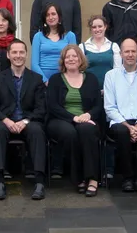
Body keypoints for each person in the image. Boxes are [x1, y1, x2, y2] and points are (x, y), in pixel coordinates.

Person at [0, 39, 48, 200]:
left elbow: (41, 109)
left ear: (26, 55)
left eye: (21, 52)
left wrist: (25, 121)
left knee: (37, 130)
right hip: (5, 121)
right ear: (8, 55)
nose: (18, 55)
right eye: (14, 52)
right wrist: (7, 121)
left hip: (27, 121)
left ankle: (39, 182)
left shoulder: (36, 79)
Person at [46, 45, 103, 197]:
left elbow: (98, 105)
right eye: (67, 57)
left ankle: (92, 178)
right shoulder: (55, 79)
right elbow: (52, 106)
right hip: (60, 120)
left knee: (87, 130)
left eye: (74, 56)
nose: (71, 59)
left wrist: (88, 115)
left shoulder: (91, 79)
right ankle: (79, 178)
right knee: (70, 133)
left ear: (80, 59)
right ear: (63, 61)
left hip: (86, 119)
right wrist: (73, 118)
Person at [104, 37, 137, 192]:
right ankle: (127, 177)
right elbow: (110, 107)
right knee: (122, 132)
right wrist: (128, 127)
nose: (130, 54)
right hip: (119, 121)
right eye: (127, 51)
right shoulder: (111, 76)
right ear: (121, 54)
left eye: (133, 51)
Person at [31, 3, 77, 83]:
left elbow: (74, 61)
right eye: (47, 15)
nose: (50, 17)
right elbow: (34, 64)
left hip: (64, 80)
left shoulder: (70, 36)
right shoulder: (38, 36)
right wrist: (45, 81)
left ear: (59, 16)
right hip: (42, 81)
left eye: (53, 14)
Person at [79, 15, 121, 85]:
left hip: (109, 87)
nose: (97, 29)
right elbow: (80, 71)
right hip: (89, 87)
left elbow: (117, 70)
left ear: (105, 27)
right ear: (90, 29)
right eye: (94, 27)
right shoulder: (82, 47)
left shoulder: (114, 46)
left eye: (100, 26)